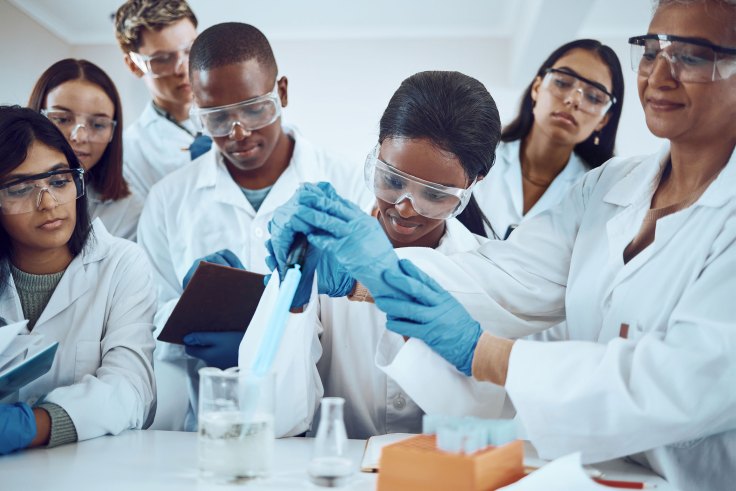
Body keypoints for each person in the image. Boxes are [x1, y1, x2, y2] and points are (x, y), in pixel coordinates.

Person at [265, 0, 736, 488]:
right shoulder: (611, 186)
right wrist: (366, 275)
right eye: (653, 49)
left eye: (694, 56)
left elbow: (681, 380)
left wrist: (484, 353)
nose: (659, 75)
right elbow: (508, 280)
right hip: (595, 473)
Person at [136, 22, 371, 432]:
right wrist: (189, 309)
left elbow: (361, 315)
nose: (238, 132)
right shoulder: (168, 200)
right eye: (217, 118)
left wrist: (267, 337)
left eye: (253, 108)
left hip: (320, 424)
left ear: (281, 92)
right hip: (207, 422)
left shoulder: (348, 183)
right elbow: (150, 316)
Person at [243, 71, 505, 439]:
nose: (406, 208)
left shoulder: (491, 274)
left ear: (473, 184)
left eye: (433, 195)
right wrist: (292, 303)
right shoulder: (322, 250)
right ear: (377, 151)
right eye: (392, 181)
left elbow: (489, 420)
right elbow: (268, 416)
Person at [0, 106, 156, 455]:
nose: (49, 203)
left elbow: (131, 391)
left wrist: (31, 426)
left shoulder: (122, 265)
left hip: (89, 470)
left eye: (59, 181)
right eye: (19, 188)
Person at [469, 39, 623, 239]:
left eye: (593, 97)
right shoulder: (478, 152)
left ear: (604, 119)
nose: (573, 100)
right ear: (536, 88)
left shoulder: (596, 194)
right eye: (562, 82)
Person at [28, 59, 143, 241]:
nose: (79, 137)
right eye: (62, 119)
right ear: (34, 117)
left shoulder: (130, 211)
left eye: (98, 124)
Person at [114, 0, 208, 198]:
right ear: (133, 65)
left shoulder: (239, 113)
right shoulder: (128, 152)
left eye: (190, 50)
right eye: (163, 59)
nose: (183, 69)